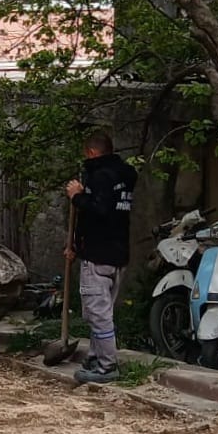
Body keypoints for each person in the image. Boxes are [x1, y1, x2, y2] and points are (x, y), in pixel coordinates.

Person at [67, 130, 137, 384]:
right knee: (100, 310)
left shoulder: (100, 176)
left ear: (92, 152)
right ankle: (96, 357)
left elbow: (98, 210)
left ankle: (107, 366)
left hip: (98, 254)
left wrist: (77, 196)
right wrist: (75, 244)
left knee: (98, 313)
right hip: (118, 253)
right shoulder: (126, 174)